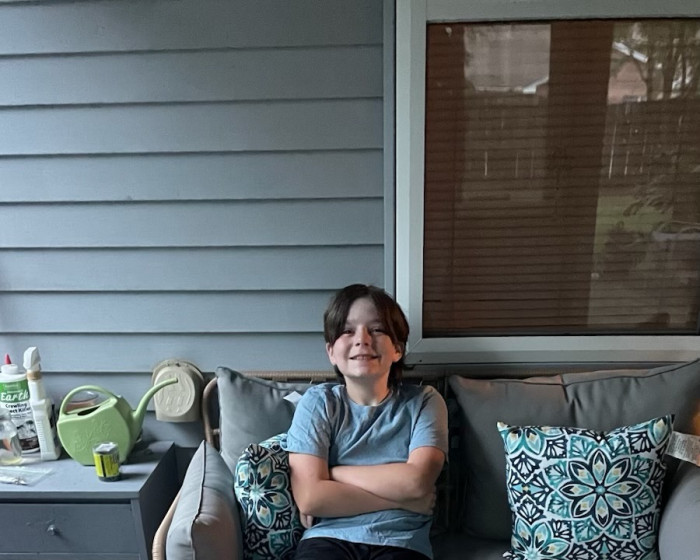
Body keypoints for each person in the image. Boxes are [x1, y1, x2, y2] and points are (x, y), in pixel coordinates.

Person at [283, 284, 448, 560]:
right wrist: (404, 501)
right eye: (348, 331)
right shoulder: (318, 403)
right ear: (331, 351)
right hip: (327, 539)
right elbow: (311, 498)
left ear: (397, 349)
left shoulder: (424, 402)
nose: (362, 339)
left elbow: (417, 483)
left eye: (377, 329)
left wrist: (334, 473)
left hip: (401, 542)